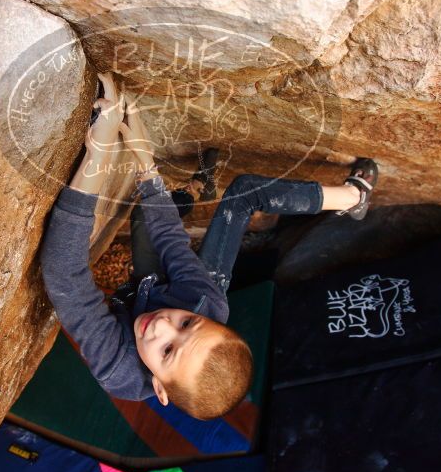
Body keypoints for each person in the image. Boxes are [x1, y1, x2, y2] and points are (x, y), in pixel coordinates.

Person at [39, 73, 378, 420]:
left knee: (145, 219)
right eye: (187, 325)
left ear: (159, 387)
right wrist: (145, 164)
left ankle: (200, 188)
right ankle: (353, 197)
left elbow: (66, 277)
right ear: (202, 318)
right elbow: (171, 241)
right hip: (189, 288)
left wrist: (99, 152)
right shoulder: (203, 302)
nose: (161, 327)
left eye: (168, 351)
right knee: (242, 193)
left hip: (148, 290)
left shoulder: (120, 369)